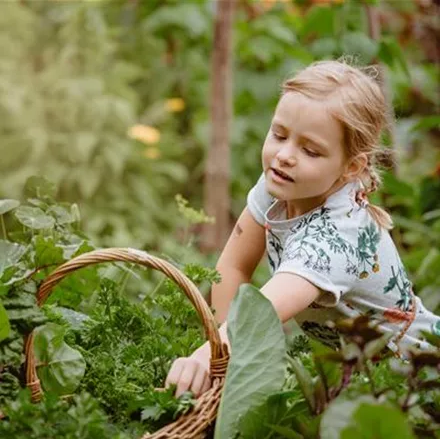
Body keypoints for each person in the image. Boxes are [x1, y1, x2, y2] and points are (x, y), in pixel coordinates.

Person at [165, 59, 440, 399]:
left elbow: (261, 313)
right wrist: (222, 361)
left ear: (351, 166)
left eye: (310, 150)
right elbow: (234, 267)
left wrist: (210, 355)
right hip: (361, 378)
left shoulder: (337, 238)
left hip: (420, 379)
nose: (284, 156)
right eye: (279, 135)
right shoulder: (281, 185)